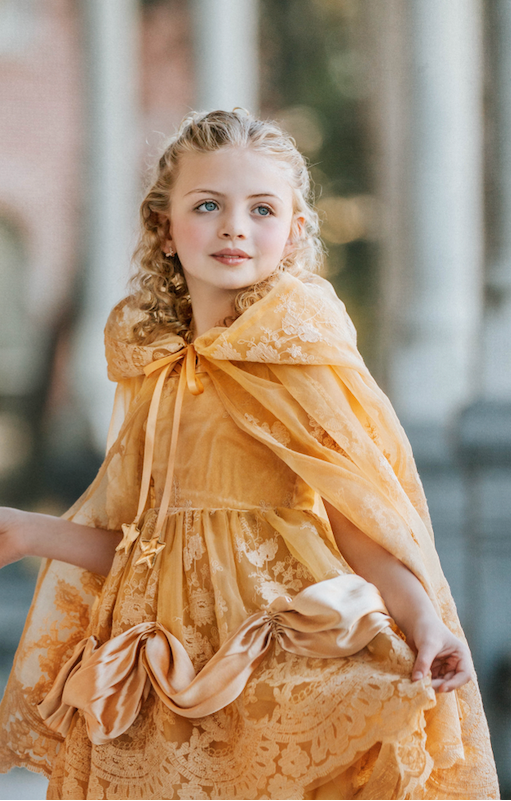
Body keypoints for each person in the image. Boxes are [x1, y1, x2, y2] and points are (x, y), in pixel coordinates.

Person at [0, 110, 499, 800]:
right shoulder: (158, 369)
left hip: (277, 654)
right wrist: (27, 532)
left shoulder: (296, 353)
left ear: (293, 231)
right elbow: (149, 547)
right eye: (207, 205)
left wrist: (424, 620)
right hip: (161, 670)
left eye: (261, 209)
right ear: (164, 228)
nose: (234, 226)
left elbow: (360, 519)